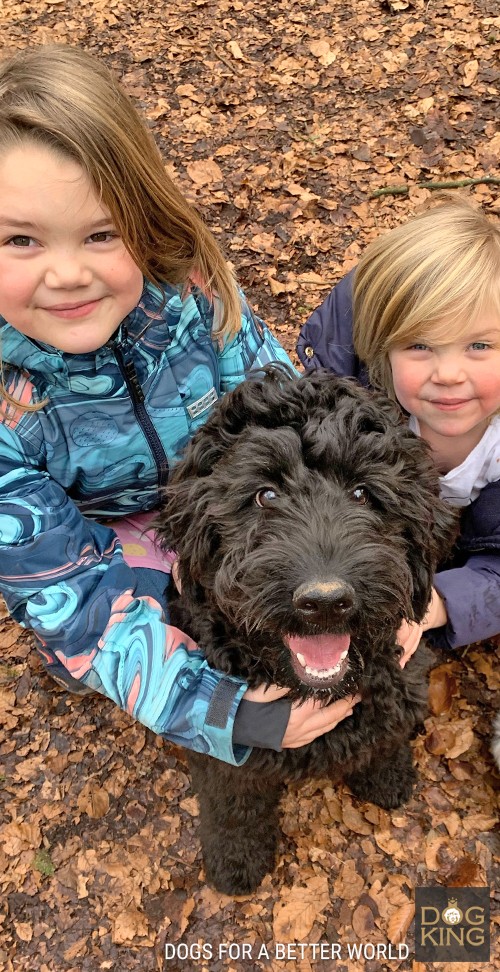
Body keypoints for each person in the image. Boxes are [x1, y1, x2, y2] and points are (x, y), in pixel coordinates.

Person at [0, 45, 358, 766]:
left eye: (101, 234)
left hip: (220, 501)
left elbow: (290, 421)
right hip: (96, 532)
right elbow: (69, 590)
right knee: (105, 626)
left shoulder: (195, 297)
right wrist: (220, 712)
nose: (68, 274)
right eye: (20, 240)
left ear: (146, 222)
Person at [298, 196, 500, 656]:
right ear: (381, 352)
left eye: (480, 345)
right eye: (420, 345)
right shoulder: (356, 418)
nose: (448, 373)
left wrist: (439, 602)